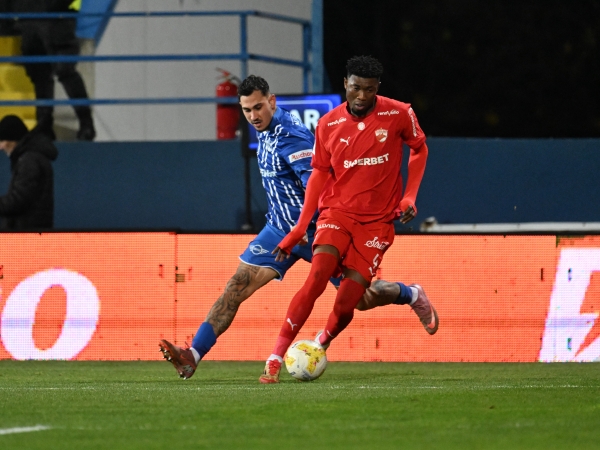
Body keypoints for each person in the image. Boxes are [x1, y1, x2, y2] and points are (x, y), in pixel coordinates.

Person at [158, 74, 437, 380]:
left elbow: (318, 184)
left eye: (258, 107)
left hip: (316, 230)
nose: (253, 116)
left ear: (272, 101)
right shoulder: (264, 131)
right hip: (279, 228)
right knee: (236, 286)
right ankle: (193, 355)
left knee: (361, 299)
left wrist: (304, 227)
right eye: (247, 110)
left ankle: (410, 294)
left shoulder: (292, 137)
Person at [258, 55, 437, 383]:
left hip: (377, 223)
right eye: (355, 88)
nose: (361, 96)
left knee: (347, 303)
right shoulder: (327, 124)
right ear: (345, 84)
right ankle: (275, 357)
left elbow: (419, 149)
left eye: (369, 89)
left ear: (377, 87)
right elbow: (318, 176)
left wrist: (410, 196)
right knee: (316, 277)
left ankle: (320, 343)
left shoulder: (399, 113)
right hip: (336, 214)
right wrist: (300, 228)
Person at [12, 0, 95, 141]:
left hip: (56, 16)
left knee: (65, 70)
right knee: (40, 75)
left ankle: (86, 123)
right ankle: (44, 125)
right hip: (29, 17)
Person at [0, 114, 58, 229]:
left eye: (2, 141)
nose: (1, 147)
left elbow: (18, 201)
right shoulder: (31, 158)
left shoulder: (29, 160)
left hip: (27, 234)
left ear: (13, 140)